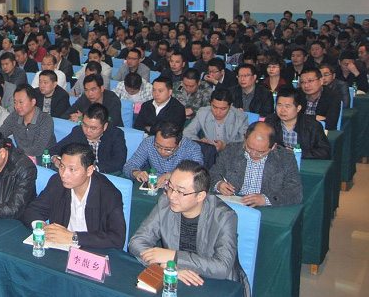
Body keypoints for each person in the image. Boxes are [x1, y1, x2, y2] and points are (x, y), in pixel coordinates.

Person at [128, 161, 250, 294]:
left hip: (218, 284)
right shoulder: (165, 204)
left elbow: (222, 267)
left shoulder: (224, 217)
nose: (171, 196)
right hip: (178, 280)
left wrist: (174, 257)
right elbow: (137, 242)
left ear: (200, 196)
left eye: (180, 192)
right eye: (170, 187)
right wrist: (168, 268)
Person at [22, 143, 127, 250]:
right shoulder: (57, 182)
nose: (63, 174)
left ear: (89, 170)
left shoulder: (109, 194)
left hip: (93, 251)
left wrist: (73, 237)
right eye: (62, 166)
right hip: (61, 248)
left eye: (72, 169)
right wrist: (43, 227)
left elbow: (117, 239)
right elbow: (32, 210)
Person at [210, 122, 303, 207]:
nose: (253, 154)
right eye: (249, 147)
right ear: (245, 137)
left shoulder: (285, 158)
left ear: (273, 147)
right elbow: (213, 173)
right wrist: (218, 184)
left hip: (265, 208)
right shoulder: (231, 150)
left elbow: (295, 192)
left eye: (260, 152)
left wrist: (266, 199)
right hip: (234, 203)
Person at [122, 121, 204, 186]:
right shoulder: (149, 142)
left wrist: (173, 175)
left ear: (179, 143)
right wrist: (136, 172)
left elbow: (197, 175)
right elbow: (129, 165)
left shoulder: (192, 148)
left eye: (168, 149)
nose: (162, 151)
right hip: (154, 186)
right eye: (158, 146)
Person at [52, 103, 127, 173]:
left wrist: (94, 168)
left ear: (105, 126)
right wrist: (56, 158)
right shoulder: (78, 131)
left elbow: (119, 162)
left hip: (106, 174)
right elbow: (56, 149)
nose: (87, 131)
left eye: (93, 128)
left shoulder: (116, 134)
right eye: (85, 125)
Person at [264, 87, 331, 159]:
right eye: (279, 105)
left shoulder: (312, 125)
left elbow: (325, 152)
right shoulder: (270, 121)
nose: (282, 110)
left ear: (298, 108)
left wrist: (297, 153)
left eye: (287, 106)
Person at [0, 83, 56, 159]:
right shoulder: (14, 116)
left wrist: (13, 153)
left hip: (43, 160)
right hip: (20, 158)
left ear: (33, 102)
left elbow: (37, 149)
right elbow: (0, 134)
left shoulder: (45, 119)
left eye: (21, 102)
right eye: (15, 102)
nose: (17, 106)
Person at [184, 88, 249, 152]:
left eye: (223, 109)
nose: (218, 112)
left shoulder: (241, 118)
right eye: (214, 107)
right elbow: (187, 132)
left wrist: (224, 146)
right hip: (207, 152)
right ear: (210, 103)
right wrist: (200, 143)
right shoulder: (203, 113)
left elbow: (245, 143)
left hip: (231, 153)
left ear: (231, 106)